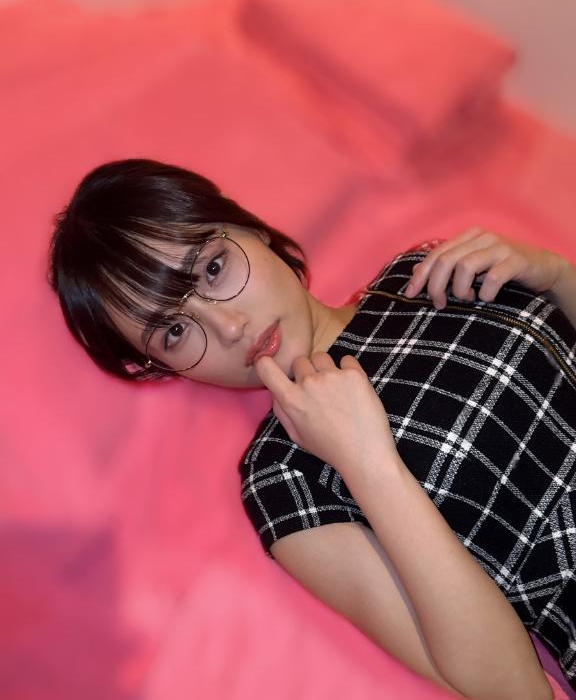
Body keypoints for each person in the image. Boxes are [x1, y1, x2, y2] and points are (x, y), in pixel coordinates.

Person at [49, 158, 576, 700]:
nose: (230, 328)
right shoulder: (283, 478)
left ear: (248, 227)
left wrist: (557, 275)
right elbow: (513, 688)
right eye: (175, 332)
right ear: (167, 369)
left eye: (213, 269)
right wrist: (369, 465)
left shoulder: (421, 275)